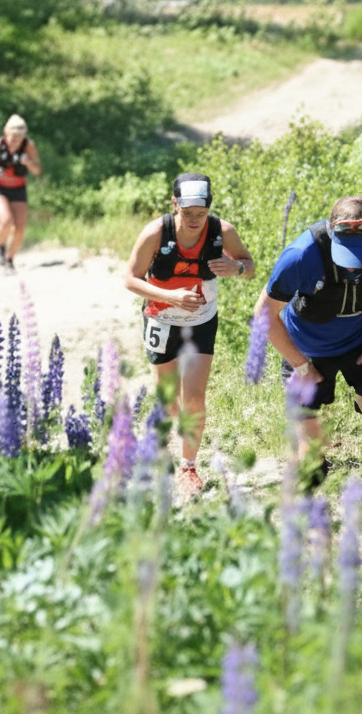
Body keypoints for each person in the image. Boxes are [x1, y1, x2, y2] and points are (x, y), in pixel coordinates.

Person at [254, 196, 362, 496]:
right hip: (305, 351)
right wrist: (301, 365)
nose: (353, 266)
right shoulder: (302, 255)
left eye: (360, 254)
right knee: (310, 456)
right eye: (345, 253)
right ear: (331, 231)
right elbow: (263, 315)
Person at [124, 173, 255, 494]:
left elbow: (249, 265)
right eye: (187, 214)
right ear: (174, 205)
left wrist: (237, 268)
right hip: (161, 319)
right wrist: (172, 297)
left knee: (194, 398)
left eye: (201, 213)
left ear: (209, 208)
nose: (195, 220)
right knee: (169, 401)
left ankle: (189, 467)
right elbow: (130, 279)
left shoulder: (222, 231)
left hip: (201, 322)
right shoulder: (156, 233)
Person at [0, 114, 42, 273]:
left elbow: (37, 171)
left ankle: (10, 259)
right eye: (13, 137)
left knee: (20, 228)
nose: (15, 141)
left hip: (18, 189)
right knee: (6, 221)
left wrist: (29, 163)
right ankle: (0, 247)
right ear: (6, 134)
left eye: (19, 137)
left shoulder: (28, 146)